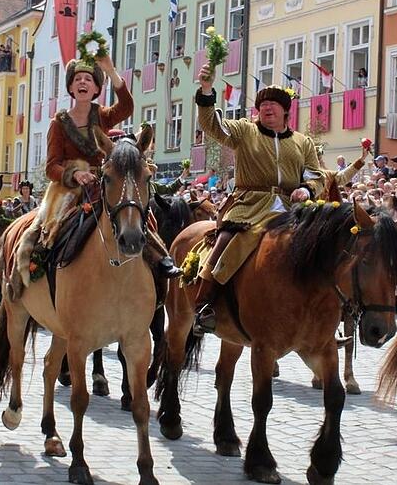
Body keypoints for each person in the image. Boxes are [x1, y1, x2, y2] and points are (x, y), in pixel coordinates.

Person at [192, 63, 325, 334]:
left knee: (323, 244)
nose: (267, 107)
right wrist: (206, 91)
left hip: (292, 208)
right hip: (249, 204)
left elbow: (316, 175)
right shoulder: (244, 131)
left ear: (285, 110)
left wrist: (308, 190)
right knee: (226, 241)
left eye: (273, 104)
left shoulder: (303, 142)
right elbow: (212, 125)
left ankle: (327, 310)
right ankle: (205, 303)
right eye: (263, 104)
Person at [41, 53, 180, 279]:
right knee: (49, 228)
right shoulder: (59, 123)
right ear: (71, 87)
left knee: (138, 211)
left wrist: (111, 71)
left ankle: (160, 256)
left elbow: (126, 107)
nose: (83, 82)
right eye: (77, 79)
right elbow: (51, 167)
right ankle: (41, 266)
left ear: (96, 88)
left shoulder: (102, 115)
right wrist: (75, 174)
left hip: (104, 181)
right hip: (69, 188)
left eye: (88, 79)